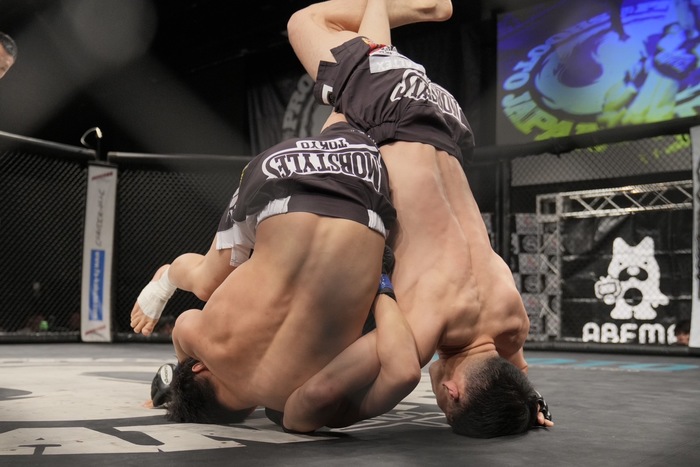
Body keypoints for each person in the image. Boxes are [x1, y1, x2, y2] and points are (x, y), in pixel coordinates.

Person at [282, 0, 553, 437]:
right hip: (392, 110)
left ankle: (402, 9)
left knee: (346, 102)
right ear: (453, 392)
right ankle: (398, 4)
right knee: (305, 23)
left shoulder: (512, 323)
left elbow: (518, 372)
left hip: (446, 126)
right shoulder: (428, 323)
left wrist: (530, 404)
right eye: (447, 409)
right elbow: (306, 405)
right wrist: (363, 404)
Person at [131, 111, 422, 423]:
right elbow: (184, 333)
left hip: (364, 193)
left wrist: (381, 283)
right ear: (200, 367)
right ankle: (166, 280)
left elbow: (400, 371)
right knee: (206, 283)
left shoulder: (298, 397)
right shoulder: (200, 339)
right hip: (277, 177)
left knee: (352, 118)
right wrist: (180, 380)